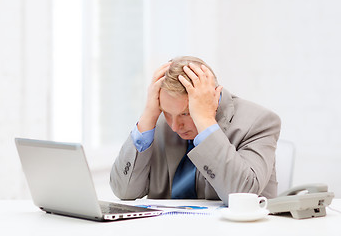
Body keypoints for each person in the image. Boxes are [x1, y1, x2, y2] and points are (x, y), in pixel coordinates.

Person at [110, 56, 281, 205]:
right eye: (168, 113)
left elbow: (243, 195)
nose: (175, 126)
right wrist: (148, 116)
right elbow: (124, 192)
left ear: (212, 98)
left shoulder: (260, 122)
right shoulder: (158, 122)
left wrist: (205, 121)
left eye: (186, 113)